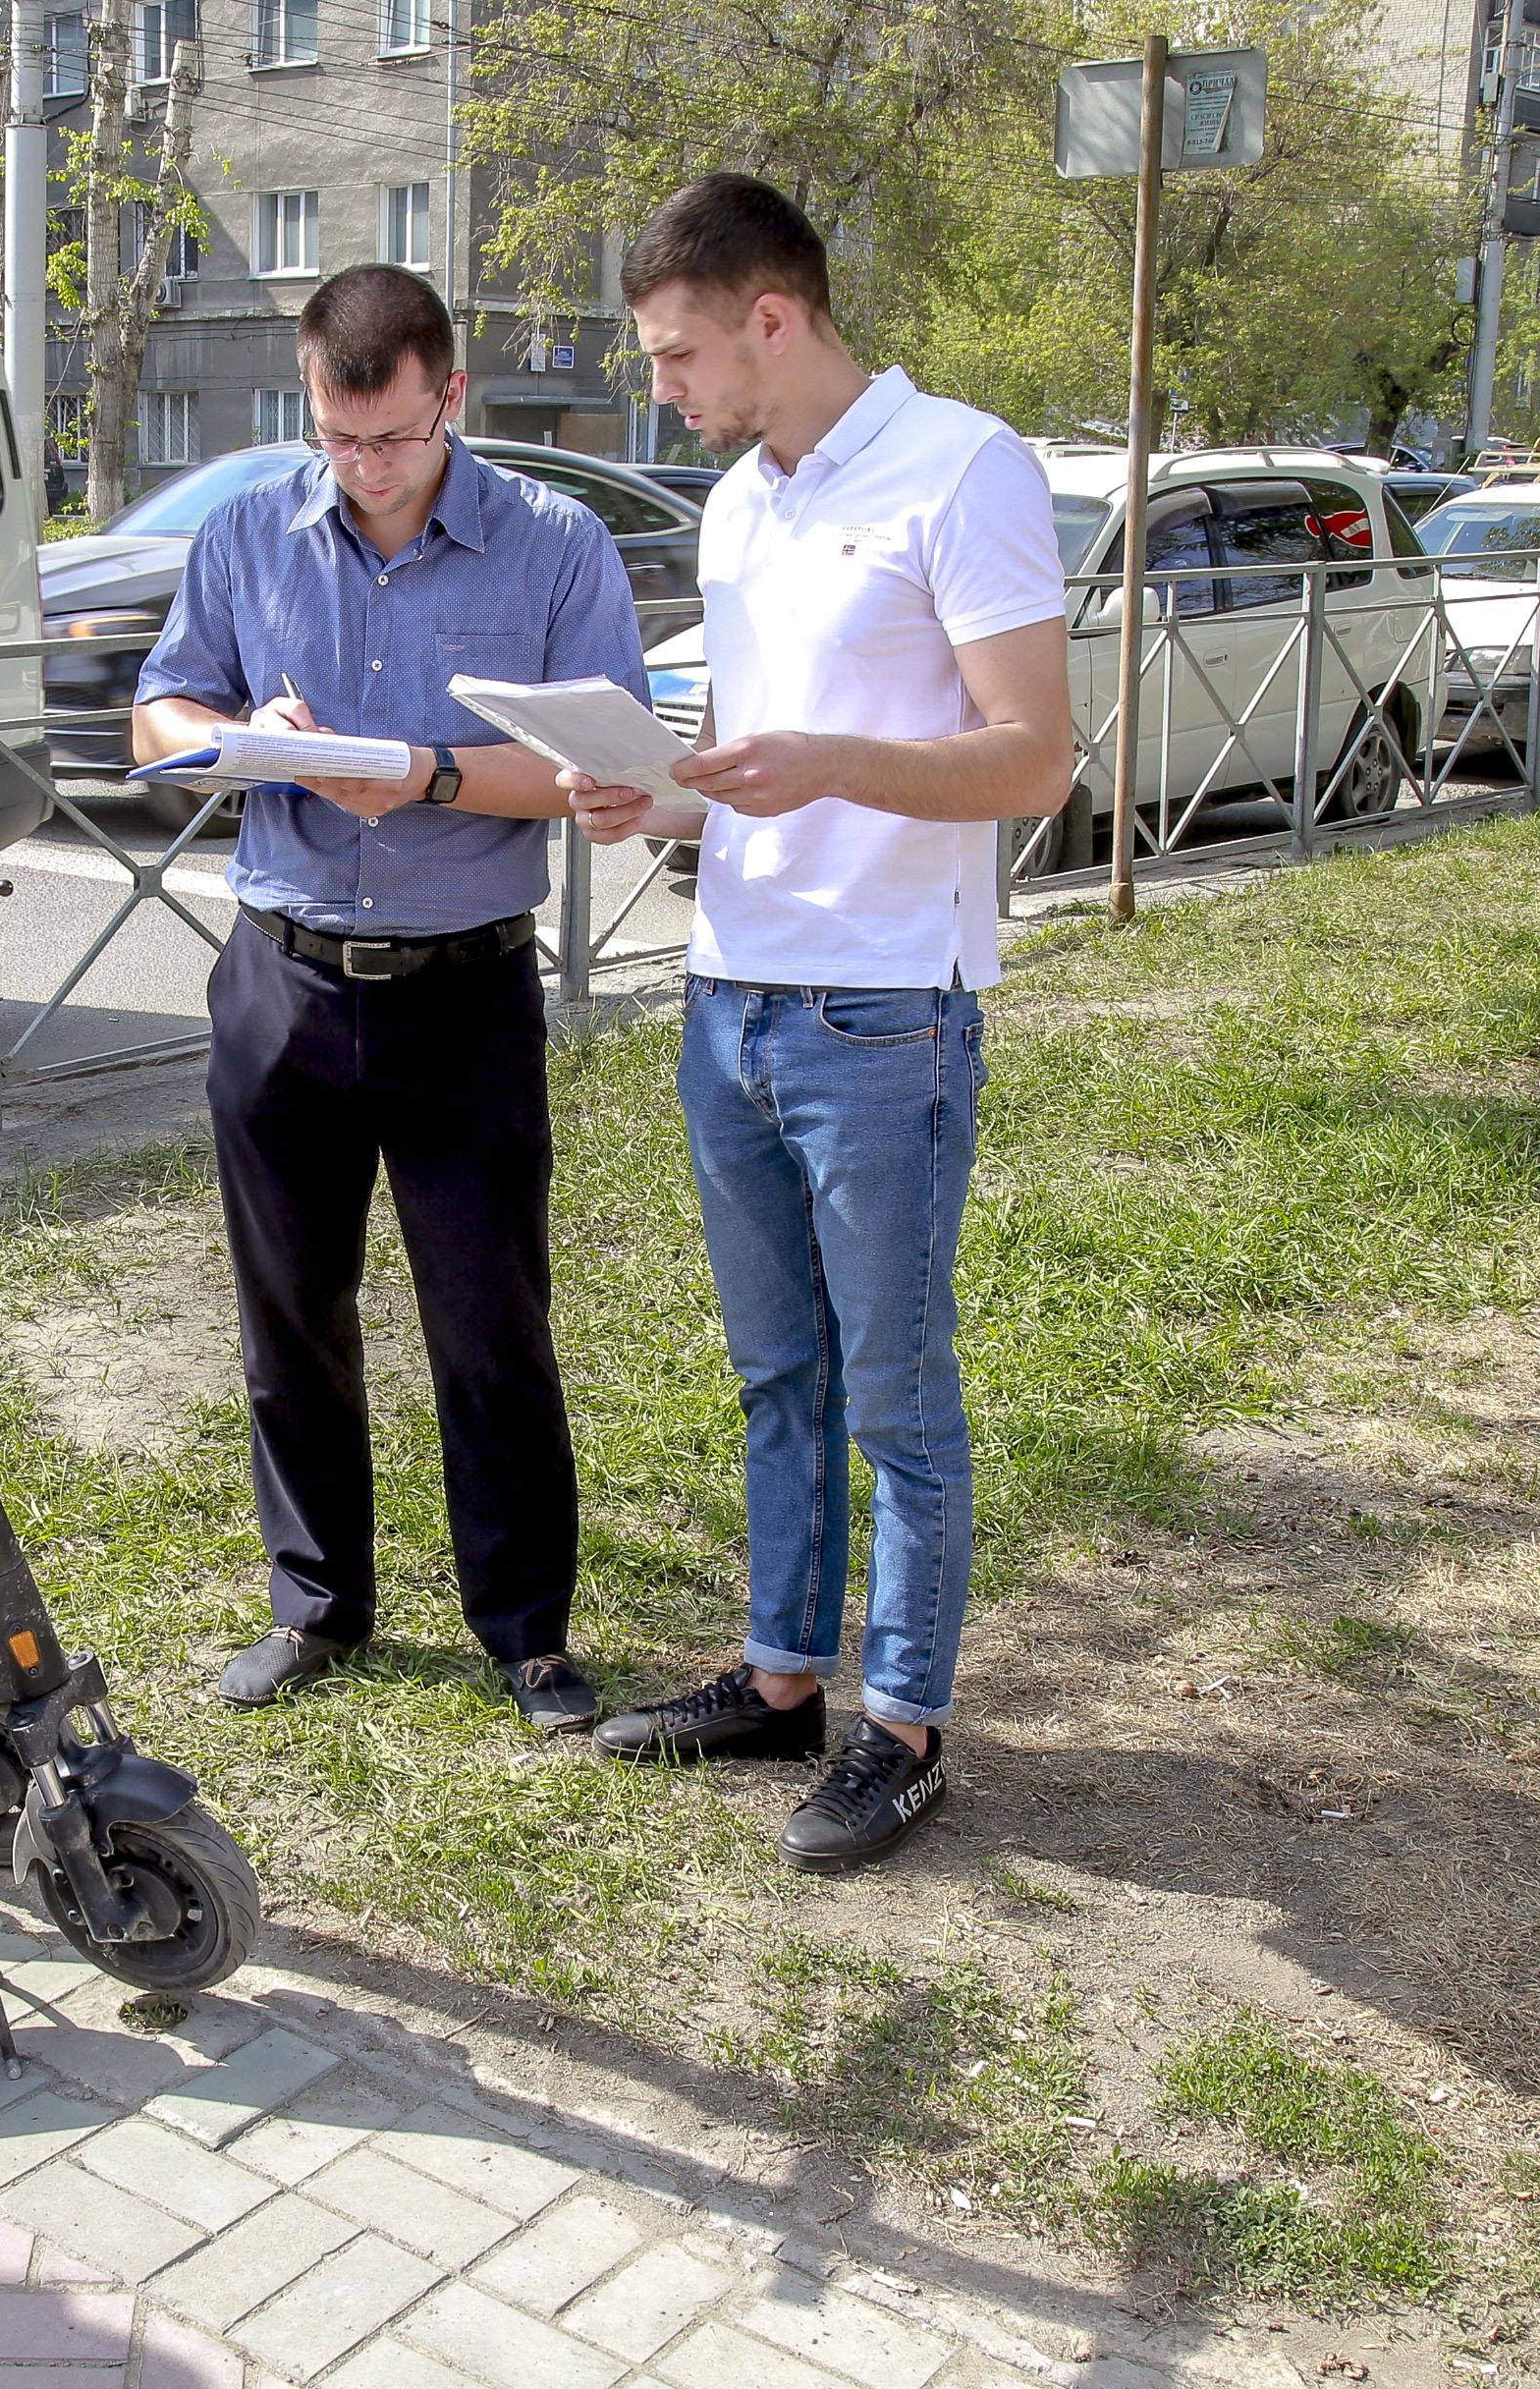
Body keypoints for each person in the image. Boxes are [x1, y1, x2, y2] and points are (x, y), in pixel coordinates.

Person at [570, 176, 1074, 1873]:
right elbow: (745, 759)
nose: (663, 386)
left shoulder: (962, 467)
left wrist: (831, 766)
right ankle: (782, 1676)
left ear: (771, 316)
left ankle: (904, 1722)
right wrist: (653, 800)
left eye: (677, 351)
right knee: (772, 1369)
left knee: (893, 1390)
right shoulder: (734, 506)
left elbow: (1034, 759)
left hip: (883, 1011)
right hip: (730, 986)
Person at [133, 263, 645, 1732]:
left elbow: (590, 767)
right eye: (335, 441)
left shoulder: (553, 545)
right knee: (288, 1311)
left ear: (450, 402)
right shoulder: (247, 529)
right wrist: (240, 736)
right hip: (280, 982)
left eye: (392, 440)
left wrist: (408, 768)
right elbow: (159, 709)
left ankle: (527, 1632)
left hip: (463, 990)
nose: (361, 472)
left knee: (489, 1318)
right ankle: (317, 1602)